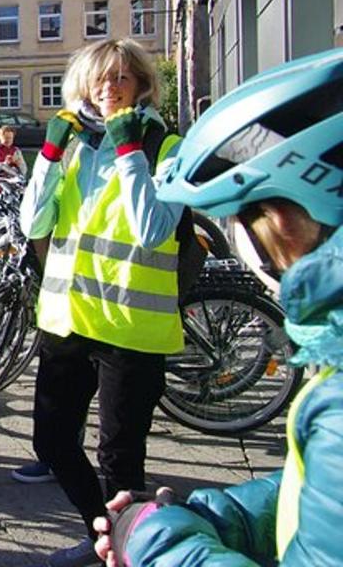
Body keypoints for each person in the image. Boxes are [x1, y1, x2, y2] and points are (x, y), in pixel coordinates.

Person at [94, 48, 343, 567]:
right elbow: (318, 489)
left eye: (240, 218)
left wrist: (160, 544)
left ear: (283, 218)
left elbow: (152, 228)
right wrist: (210, 517)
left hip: (137, 322)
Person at [18, 39, 186, 567]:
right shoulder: (73, 144)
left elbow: (155, 230)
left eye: (122, 79)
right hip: (68, 320)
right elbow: (34, 225)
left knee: (120, 461)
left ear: (141, 86)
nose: (109, 89)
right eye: (100, 79)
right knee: (52, 442)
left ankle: (132, 549)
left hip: (130, 328)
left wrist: (129, 149)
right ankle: (107, 537)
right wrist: (47, 156)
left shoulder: (167, 145)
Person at [0, 124, 27, 196]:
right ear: (0, 138)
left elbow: (24, 171)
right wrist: (4, 163)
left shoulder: (16, 151)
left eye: (11, 138)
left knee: (27, 193)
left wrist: (18, 163)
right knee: (10, 193)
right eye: (6, 138)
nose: (8, 140)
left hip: (15, 179)